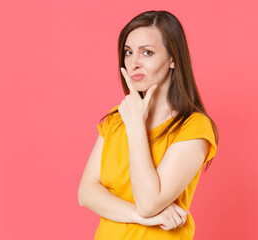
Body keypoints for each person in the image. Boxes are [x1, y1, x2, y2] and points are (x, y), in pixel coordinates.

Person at [78, 10, 219, 240]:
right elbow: (86, 193)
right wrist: (143, 217)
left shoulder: (194, 127)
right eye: (128, 52)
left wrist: (136, 127)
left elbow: (149, 202)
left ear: (173, 58)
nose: (134, 63)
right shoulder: (117, 119)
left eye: (147, 52)